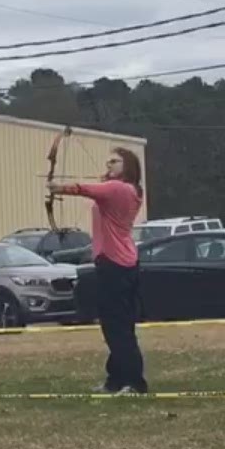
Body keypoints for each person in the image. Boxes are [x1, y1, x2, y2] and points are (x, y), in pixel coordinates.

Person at [49, 145, 147, 394]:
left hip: (114, 263)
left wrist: (58, 187)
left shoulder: (117, 189)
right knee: (118, 324)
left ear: (128, 166)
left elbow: (86, 189)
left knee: (116, 326)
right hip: (124, 262)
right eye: (108, 162)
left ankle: (134, 383)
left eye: (114, 162)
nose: (108, 166)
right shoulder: (129, 190)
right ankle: (116, 380)